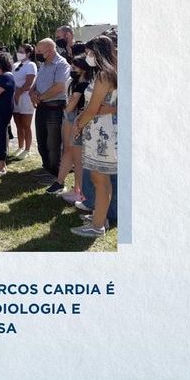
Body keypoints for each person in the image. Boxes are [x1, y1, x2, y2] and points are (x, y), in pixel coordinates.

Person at [70, 35, 118, 238]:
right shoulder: (107, 73)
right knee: (99, 178)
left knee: (100, 179)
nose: (87, 55)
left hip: (101, 134)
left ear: (98, 52)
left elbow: (92, 108)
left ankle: (97, 226)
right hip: (98, 130)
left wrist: (78, 125)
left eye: (90, 52)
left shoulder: (103, 75)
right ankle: (100, 216)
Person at [46, 55, 93, 197]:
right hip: (71, 118)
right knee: (68, 151)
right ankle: (61, 182)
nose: (72, 70)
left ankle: (78, 190)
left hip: (75, 118)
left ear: (84, 69)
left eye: (74, 67)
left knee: (77, 157)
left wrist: (66, 111)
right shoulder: (74, 82)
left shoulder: (84, 84)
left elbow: (72, 103)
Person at [29, 38, 71, 179]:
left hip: (54, 108)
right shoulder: (43, 64)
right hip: (42, 107)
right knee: (41, 140)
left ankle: (55, 173)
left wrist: (39, 98)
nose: (38, 54)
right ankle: (46, 167)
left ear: (51, 50)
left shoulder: (61, 65)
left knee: (53, 143)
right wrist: (32, 92)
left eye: (40, 51)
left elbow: (59, 87)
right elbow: (36, 83)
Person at [11, 44, 37, 160]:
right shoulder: (16, 65)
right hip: (15, 97)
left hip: (25, 98)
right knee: (18, 124)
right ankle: (20, 146)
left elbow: (29, 83)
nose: (19, 53)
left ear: (28, 53)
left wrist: (18, 92)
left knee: (26, 125)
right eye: (19, 51)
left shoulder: (31, 65)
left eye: (21, 51)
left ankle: (27, 149)